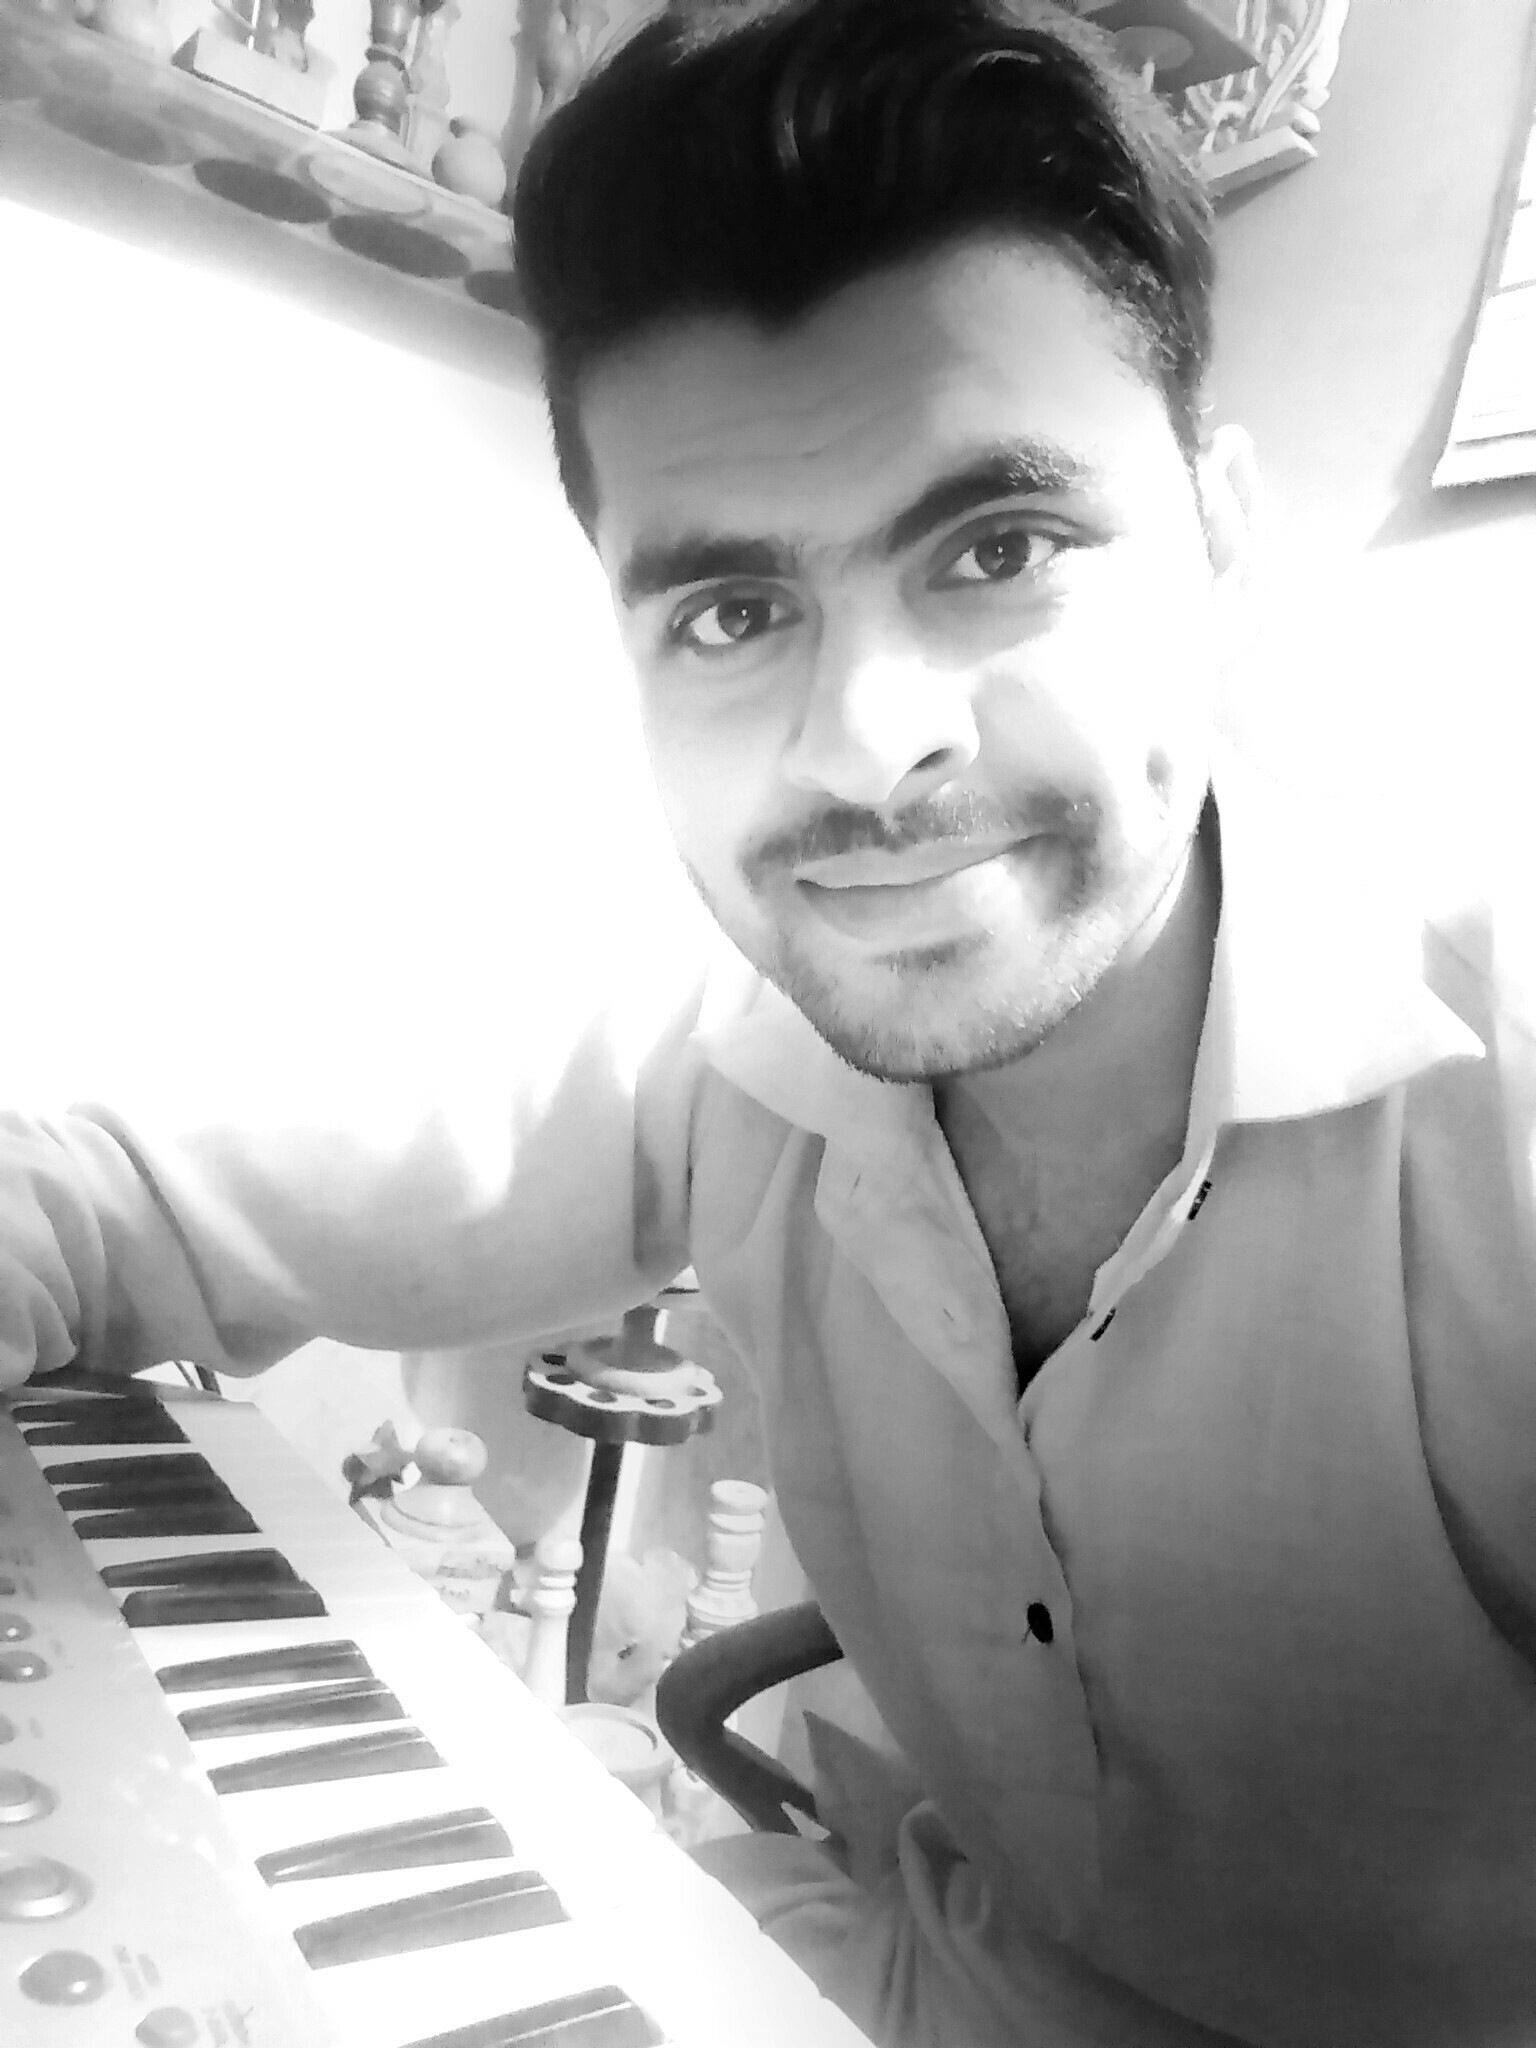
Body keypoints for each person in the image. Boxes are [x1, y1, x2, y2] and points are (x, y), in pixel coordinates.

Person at [3, 1, 1535, 2041]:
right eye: (732, 613)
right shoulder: (726, 1050)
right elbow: (107, 1209)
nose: (865, 743)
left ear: (1224, 550)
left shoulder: (1500, 1101)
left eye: (1000, 547)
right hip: (922, 1967)